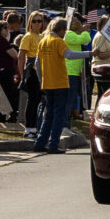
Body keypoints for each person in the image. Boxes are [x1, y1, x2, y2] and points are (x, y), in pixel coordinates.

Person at [33, 13, 76, 152]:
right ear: (61, 30)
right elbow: (69, 55)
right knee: (58, 115)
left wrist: (41, 80)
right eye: (65, 31)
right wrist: (90, 53)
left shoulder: (43, 41)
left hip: (47, 83)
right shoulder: (58, 41)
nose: (65, 34)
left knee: (49, 115)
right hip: (60, 83)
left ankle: (40, 143)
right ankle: (53, 144)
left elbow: (37, 63)